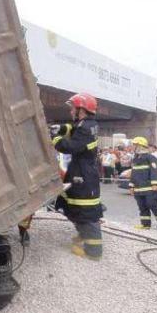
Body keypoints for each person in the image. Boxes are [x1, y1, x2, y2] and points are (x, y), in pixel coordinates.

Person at [52, 94, 103, 260]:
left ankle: (94, 252)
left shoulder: (86, 129)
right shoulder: (86, 124)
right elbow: (72, 128)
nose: (71, 111)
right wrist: (60, 128)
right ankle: (83, 234)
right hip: (80, 171)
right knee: (71, 204)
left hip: (84, 175)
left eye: (73, 108)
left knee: (86, 211)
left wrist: (56, 138)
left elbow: (70, 146)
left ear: (82, 110)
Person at [125, 136, 157, 232]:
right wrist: (131, 185)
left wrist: (155, 184)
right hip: (139, 189)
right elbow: (133, 173)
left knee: (152, 204)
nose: (132, 147)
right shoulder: (135, 159)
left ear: (140, 146)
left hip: (150, 188)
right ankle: (145, 224)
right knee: (142, 206)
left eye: (134, 145)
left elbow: (154, 171)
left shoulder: (151, 158)